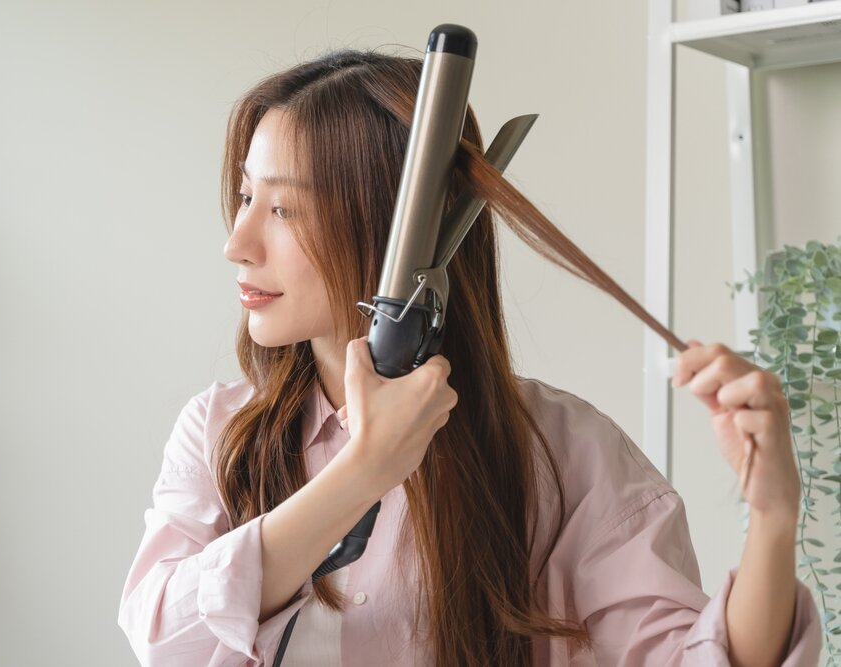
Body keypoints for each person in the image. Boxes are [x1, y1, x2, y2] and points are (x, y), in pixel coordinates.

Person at [117, 49, 822, 666]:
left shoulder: (563, 451)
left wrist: (773, 515)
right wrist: (365, 471)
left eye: (284, 209)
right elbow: (164, 639)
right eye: (246, 195)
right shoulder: (217, 434)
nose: (236, 244)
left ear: (399, 226)